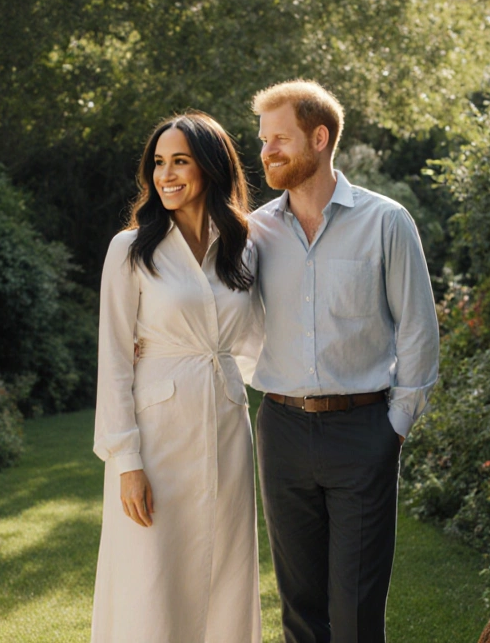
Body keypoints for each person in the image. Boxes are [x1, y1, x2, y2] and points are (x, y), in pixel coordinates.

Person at [247, 80, 441, 643]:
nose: (267, 152)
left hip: (363, 430)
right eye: (263, 141)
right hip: (281, 429)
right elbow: (222, 313)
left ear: (319, 137)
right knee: (299, 607)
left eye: (279, 139)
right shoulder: (254, 231)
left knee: (356, 607)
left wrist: (394, 427)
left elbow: (419, 330)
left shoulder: (386, 222)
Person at [91, 112, 262, 642]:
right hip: (157, 437)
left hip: (229, 429)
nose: (166, 175)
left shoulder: (244, 247)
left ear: (210, 168)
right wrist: (126, 462)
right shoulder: (131, 249)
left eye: (180, 162)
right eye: (159, 163)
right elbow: (115, 359)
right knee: (150, 575)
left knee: (226, 572)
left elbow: (259, 341)